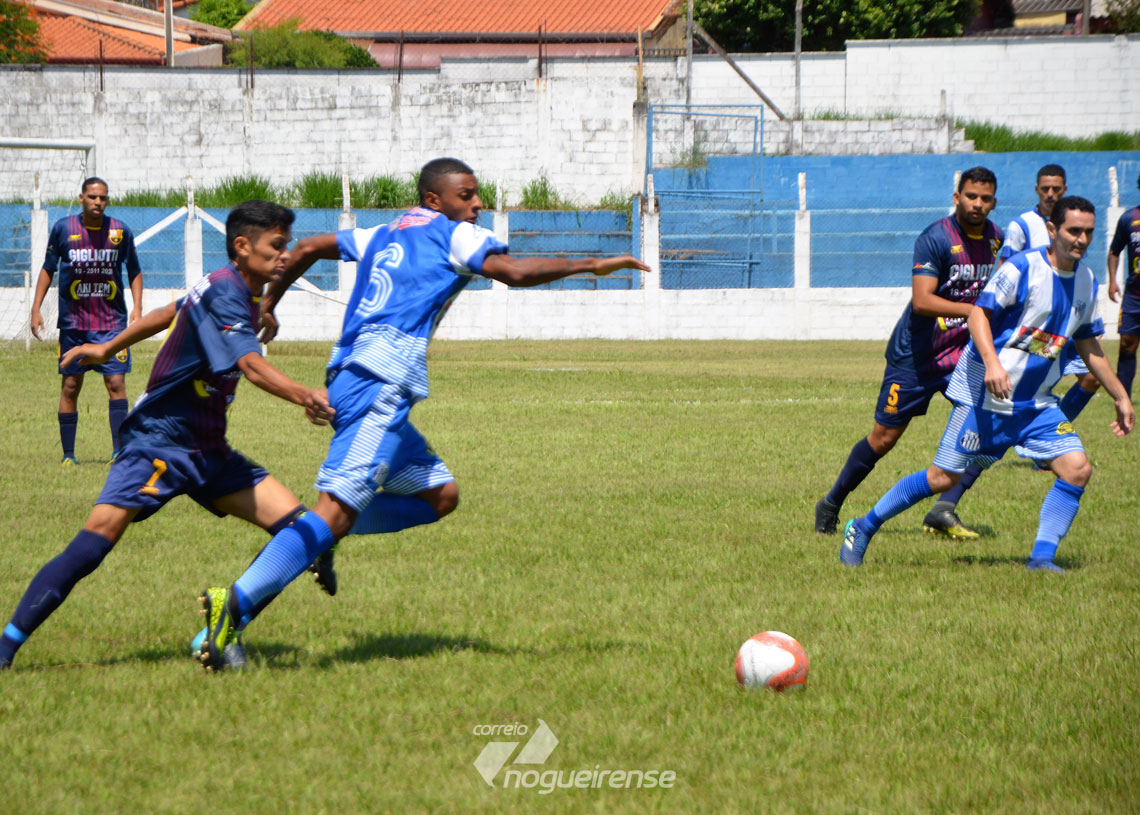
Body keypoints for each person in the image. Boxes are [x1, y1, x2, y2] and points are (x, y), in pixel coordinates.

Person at [194, 157, 651, 671]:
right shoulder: (453, 234)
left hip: (354, 375)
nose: (477, 204)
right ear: (435, 199)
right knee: (334, 511)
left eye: (476, 195)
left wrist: (270, 302)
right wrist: (591, 264)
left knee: (440, 495)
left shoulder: (386, 231)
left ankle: (319, 536)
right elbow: (514, 272)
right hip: (380, 383)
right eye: (466, 195)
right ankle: (233, 607)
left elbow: (308, 248)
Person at [0, 201, 333, 670]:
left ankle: (222, 630)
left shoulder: (230, 286)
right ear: (243, 246)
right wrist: (306, 395)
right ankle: (6, 647)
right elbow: (251, 365)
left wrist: (107, 347)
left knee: (305, 531)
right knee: (94, 544)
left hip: (208, 449)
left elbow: (165, 312)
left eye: (287, 245)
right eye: (276, 246)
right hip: (157, 443)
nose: (285, 255)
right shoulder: (226, 292)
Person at [839, 196, 1134, 571]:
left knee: (1077, 469)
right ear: (1052, 230)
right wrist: (993, 365)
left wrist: (1120, 396)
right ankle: (863, 526)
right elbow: (979, 314)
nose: (1082, 239)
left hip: (1037, 403)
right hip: (985, 396)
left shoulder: (1087, 282)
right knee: (942, 477)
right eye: (1074, 230)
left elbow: (1088, 344)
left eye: (1088, 232)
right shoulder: (1022, 268)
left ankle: (1041, 559)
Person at [815, 167, 1003, 539]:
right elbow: (922, 301)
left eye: (985, 198)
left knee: (986, 430)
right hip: (916, 357)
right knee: (884, 438)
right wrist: (973, 311)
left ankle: (944, 508)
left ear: (993, 202)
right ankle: (832, 503)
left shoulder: (996, 238)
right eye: (971, 196)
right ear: (957, 198)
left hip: (962, 355)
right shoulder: (936, 238)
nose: (977, 204)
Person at [30, 177, 143, 465]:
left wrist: (137, 308)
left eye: (102, 198)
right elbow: (47, 269)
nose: (97, 202)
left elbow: (134, 270)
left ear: (107, 200)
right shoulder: (63, 229)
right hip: (74, 325)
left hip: (112, 324)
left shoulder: (120, 231)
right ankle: (68, 455)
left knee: (116, 383)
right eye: (92, 197)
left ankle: (119, 452)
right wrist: (36, 308)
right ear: (81, 198)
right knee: (70, 385)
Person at [1002, 164, 1101, 429]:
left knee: (1092, 378)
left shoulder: (1076, 225)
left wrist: (1086, 322)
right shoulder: (1021, 224)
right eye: (1045, 188)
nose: (1050, 194)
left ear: (1064, 189)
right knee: (1031, 380)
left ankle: (1051, 431)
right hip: (1036, 327)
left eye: (1056, 189)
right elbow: (1005, 271)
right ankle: (1033, 430)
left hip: (1067, 321)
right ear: (1037, 189)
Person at [1107, 171, 1140, 398]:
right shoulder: (1129, 218)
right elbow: (1114, 251)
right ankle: (1123, 397)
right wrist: (1112, 281)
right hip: (1134, 297)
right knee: (1127, 344)